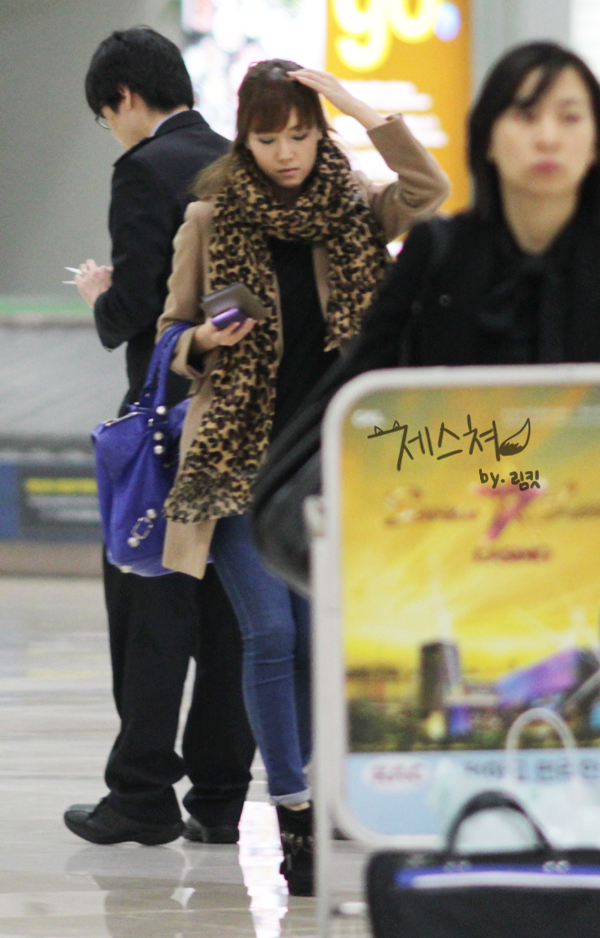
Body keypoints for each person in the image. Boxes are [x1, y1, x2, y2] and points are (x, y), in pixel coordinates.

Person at [156, 58, 449, 892]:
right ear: (243, 140)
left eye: (300, 134)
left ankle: (316, 790)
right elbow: (168, 334)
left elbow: (428, 190)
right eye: (268, 138)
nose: (286, 153)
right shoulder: (209, 219)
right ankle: (291, 810)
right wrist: (201, 342)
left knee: (324, 640)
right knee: (272, 635)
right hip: (235, 459)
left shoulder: (356, 206)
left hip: (330, 466)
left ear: (321, 134)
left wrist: (359, 107)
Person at [251, 41, 600, 597]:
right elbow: (349, 398)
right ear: (487, 136)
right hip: (448, 557)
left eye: (570, 116)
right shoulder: (441, 255)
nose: (548, 137)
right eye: (525, 115)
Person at [63, 26, 255, 848]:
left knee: (149, 599)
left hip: (171, 419)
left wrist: (101, 300)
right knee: (229, 612)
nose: (113, 130)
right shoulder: (241, 161)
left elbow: (141, 303)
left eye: (107, 116)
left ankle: (141, 793)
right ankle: (219, 795)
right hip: (246, 416)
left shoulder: (145, 169)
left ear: (126, 98)